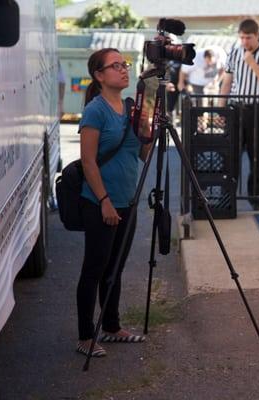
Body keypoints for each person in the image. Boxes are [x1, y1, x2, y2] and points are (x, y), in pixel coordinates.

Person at [76, 48, 152, 357]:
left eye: (125, 64)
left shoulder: (131, 107)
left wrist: (147, 130)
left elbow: (143, 155)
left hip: (127, 200)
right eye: (115, 65)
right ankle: (84, 336)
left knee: (115, 268)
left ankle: (111, 326)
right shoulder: (96, 110)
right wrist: (104, 200)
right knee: (94, 268)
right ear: (99, 75)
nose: (123, 70)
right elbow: (88, 162)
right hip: (99, 203)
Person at [220, 19, 259, 211]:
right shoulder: (234, 52)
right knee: (231, 154)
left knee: (257, 156)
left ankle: (256, 199)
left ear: (257, 35)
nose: (244, 41)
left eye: (248, 37)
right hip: (236, 108)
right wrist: (221, 108)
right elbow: (227, 82)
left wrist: (252, 63)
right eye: (242, 37)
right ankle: (227, 198)